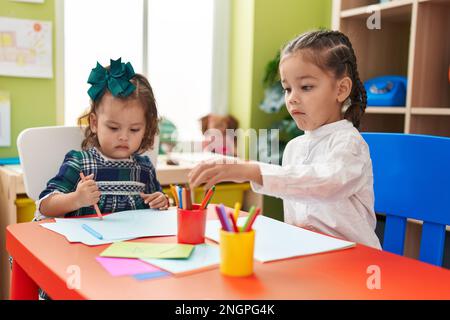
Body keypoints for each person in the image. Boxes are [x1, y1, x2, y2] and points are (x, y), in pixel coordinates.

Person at [189, 30, 381, 249]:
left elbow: (326, 184)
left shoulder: (349, 143)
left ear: (341, 89)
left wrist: (251, 170)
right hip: (310, 256)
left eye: (306, 87)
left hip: (354, 261)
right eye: (287, 89)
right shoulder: (295, 148)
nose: (292, 99)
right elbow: (298, 209)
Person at [37, 58, 169, 220]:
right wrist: (76, 199)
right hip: (86, 243)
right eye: (113, 127)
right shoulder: (79, 163)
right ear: (94, 123)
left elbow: (159, 207)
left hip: (134, 244)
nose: (123, 136)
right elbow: (45, 206)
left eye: (134, 129)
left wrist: (161, 201)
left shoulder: (145, 168)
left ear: (146, 128)